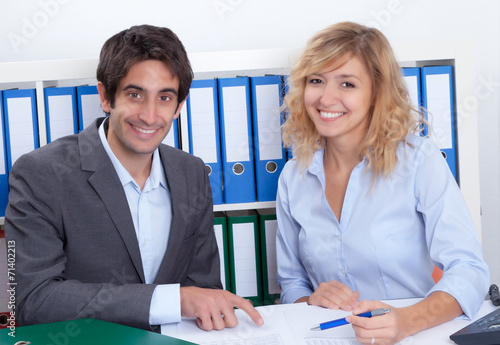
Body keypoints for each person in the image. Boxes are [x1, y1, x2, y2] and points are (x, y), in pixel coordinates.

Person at [5, 24, 263, 332]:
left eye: (165, 98)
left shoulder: (191, 172)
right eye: (135, 94)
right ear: (105, 96)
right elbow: (33, 300)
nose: (150, 116)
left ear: (180, 105)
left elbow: (202, 287)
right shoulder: (41, 174)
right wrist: (171, 300)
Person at [276, 21, 489, 345]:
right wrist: (309, 300)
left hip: (413, 337)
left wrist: (407, 321)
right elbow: (291, 284)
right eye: (316, 80)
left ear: (377, 93)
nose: (326, 97)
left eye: (347, 84)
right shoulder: (294, 177)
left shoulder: (418, 161)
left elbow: (470, 269)